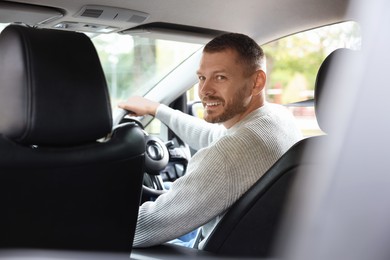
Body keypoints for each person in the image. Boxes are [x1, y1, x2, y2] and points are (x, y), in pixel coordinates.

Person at [118, 33, 302, 249]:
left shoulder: (233, 152)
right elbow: (213, 136)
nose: (204, 91)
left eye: (220, 77)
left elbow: (145, 228)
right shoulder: (277, 118)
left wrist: (79, 222)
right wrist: (157, 109)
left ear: (256, 82)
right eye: (202, 78)